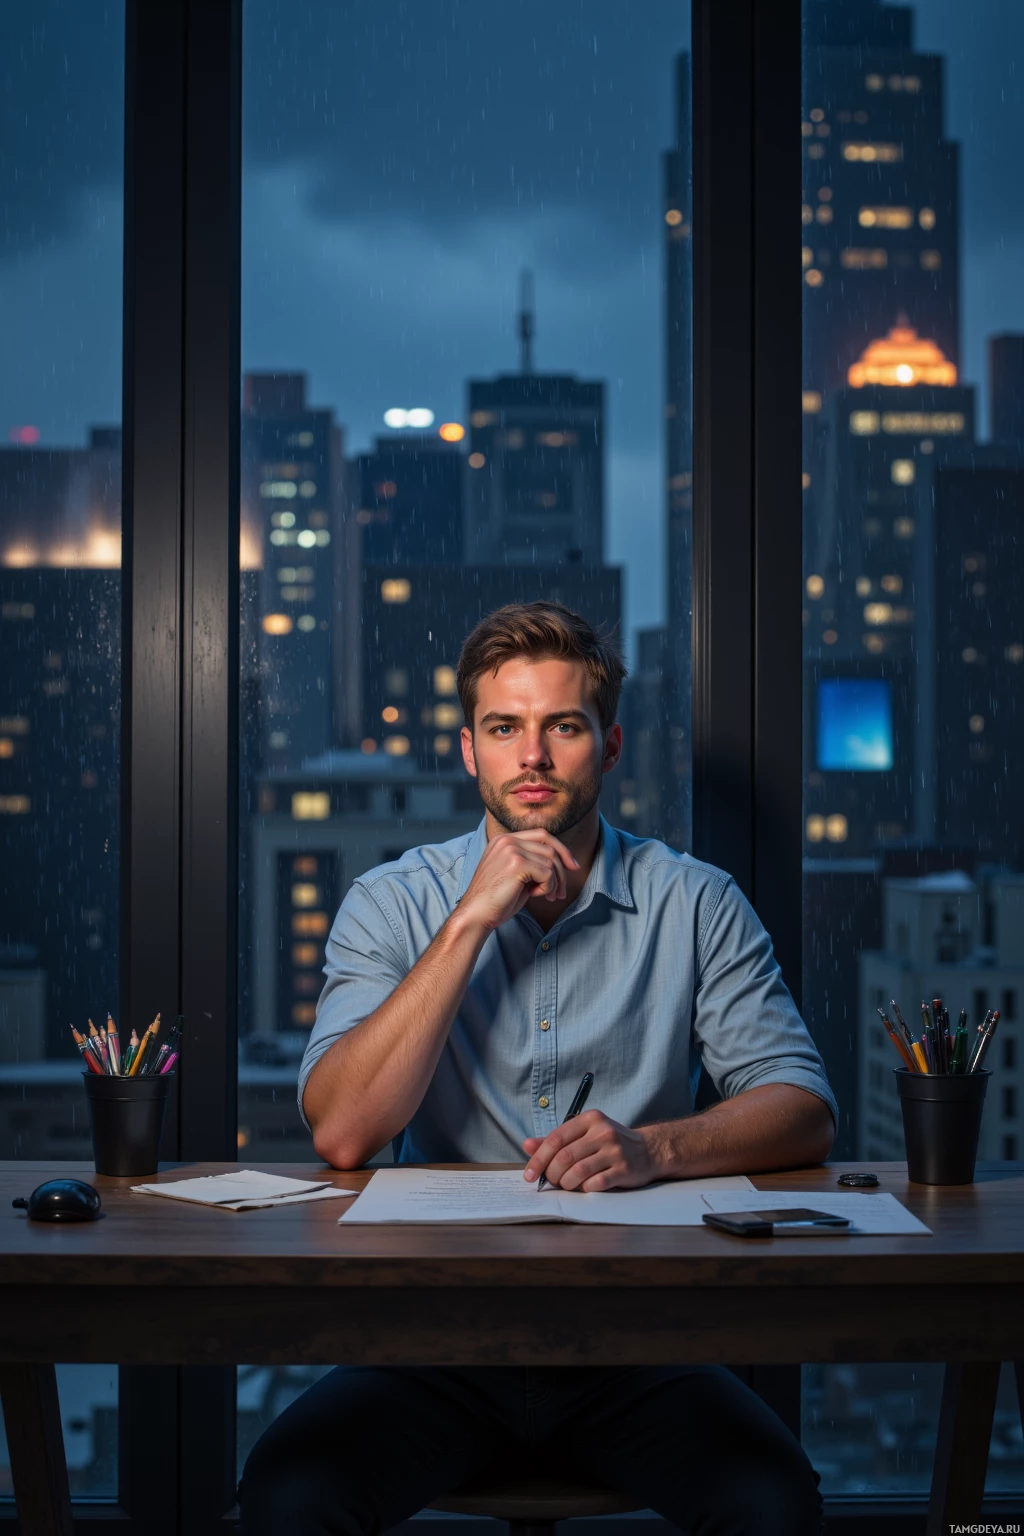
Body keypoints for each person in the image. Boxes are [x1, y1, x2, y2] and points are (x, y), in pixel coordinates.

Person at [238, 601, 835, 1536]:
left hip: (639, 1342)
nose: (533, 757)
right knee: (286, 1498)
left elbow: (803, 1108)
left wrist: (654, 1150)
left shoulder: (697, 901)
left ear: (609, 745)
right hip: (431, 1339)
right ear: (469, 751)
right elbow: (344, 1130)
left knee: (776, 1504)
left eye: (562, 726)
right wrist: (471, 919)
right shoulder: (391, 902)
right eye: (504, 728)